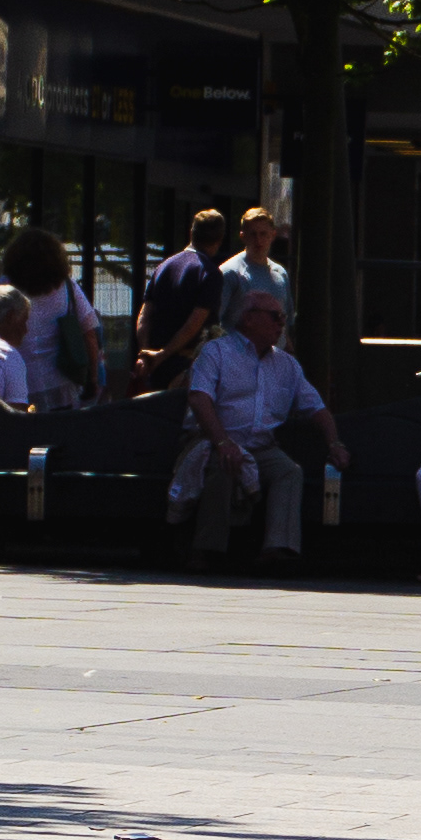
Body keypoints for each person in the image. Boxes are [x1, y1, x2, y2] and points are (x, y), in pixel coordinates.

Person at [172, 289, 347, 571]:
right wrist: (222, 442)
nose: (281, 323)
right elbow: (199, 398)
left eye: (284, 317)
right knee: (223, 464)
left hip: (262, 446)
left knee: (289, 470)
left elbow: (316, 407)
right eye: (275, 316)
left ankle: (278, 548)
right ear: (249, 319)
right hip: (215, 440)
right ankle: (207, 550)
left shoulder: (286, 365)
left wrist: (334, 443)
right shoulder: (217, 352)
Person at [1, 229, 101, 412]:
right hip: (62, 383)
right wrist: (93, 378)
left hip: (19, 385)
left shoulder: (3, 287)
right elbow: (89, 334)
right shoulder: (67, 286)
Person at [135, 208, 228, 393]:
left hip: (154, 369)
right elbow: (194, 323)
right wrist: (162, 355)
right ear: (219, 240)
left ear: (191, 233)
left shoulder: (163, 267)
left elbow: (144, 317)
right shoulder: (209, 273)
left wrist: (145, 354)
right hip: (187, 369)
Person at [215, 208, 295, 336]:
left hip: (275, 348)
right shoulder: (230, 272)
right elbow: (214, 323)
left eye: (263, 234)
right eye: (253, 234)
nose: (258, 240)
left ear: (273, 235)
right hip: (239, 347)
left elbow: (287, 320)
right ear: (243, 236)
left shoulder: (281, 273)